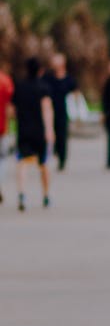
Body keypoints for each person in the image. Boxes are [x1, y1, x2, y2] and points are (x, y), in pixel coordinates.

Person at [12, 56, 55, 211]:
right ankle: (46, 195)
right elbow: (47, 110)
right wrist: (50, 130)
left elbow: (13, 111)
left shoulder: (20, 87)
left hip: (23, 130)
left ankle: (22, 194)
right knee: (43, 164)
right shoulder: (43, 87)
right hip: (39, 131)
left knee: (22, 163)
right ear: (40, 70)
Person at [42, 53, 78, 171]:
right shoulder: (47, 77)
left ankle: (62, 159)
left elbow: (75, 92)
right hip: (49, 110)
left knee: (62, 135)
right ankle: (47, 156)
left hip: (63, 111)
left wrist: (76, 108)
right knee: (50, 135)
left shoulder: (68, 79)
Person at [0, 62, 14, 204]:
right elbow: (9, 107)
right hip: (1, 127)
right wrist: (9, 126)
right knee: (2, 158)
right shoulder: (5, 81)